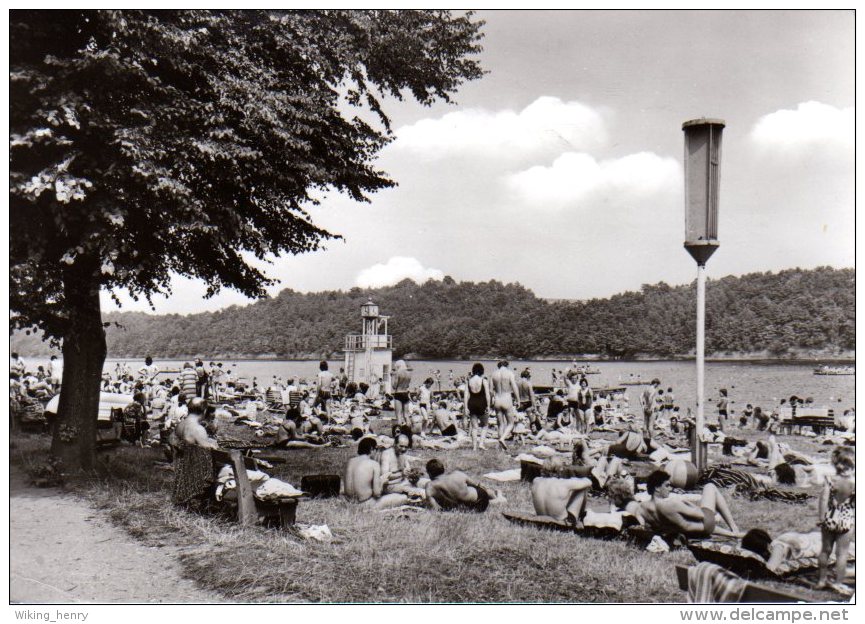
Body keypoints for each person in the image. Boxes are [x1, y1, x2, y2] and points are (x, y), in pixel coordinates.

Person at [639, 470, 742, 539]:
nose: (670, 489)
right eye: (667, 486)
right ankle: (734, 527)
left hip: (688, 533)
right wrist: (687, 503)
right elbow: (702, 516)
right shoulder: (672, 504)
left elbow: (683, 525)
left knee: (692, 521)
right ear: (657, 488)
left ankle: (732, 534)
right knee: (710, 487)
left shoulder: (643, 507)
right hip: (703, 527)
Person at [816, 446, 855, 593]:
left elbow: (824, 499)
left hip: (830, 517)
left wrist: (821, 517)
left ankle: (821, 580)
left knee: (825, 550)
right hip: (847, 519)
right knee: (842, 553)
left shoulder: (830, 479)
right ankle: (838, 583)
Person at [171, 398, 218, 511]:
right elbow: (208, 451)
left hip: (184, 468)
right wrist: (213, 444)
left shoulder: (181, 424)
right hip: (196, 472)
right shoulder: (198, 429)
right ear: (205, 410)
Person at [425, 458, 499, 512]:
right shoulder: (457, 474)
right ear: (443, 469)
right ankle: (497, 497)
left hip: (463, 508)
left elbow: (435, 508)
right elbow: (477, 485)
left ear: (429, 473)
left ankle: (498, 497)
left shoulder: (430, 486)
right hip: (482, 501)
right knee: (477, 488)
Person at [490, 360, 519, 449]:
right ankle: (502, 438)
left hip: (497, 399)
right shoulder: (510, 373)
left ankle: (501, 448)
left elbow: (491, 390)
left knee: (500, 425)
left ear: (498, 366)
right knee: (511, 423)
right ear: (507, 365)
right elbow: (514, 387)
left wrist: (492, 400)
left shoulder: (493, 374)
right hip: (507, 398)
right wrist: (518, 399)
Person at [464, 363, 491, 451]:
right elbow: (487, 395)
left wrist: (465, 408)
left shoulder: (469, 381)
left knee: (474, 427)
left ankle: (474, 447)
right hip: (481, 404)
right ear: (482, 371)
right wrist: (488, 406)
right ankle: (481, 444)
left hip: (471, 403)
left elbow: (466, 396)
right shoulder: (484, 381)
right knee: (485, 425)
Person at [391, 360, 412, 429]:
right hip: (405, 393)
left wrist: (392, 377)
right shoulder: (409, 373)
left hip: (398, 393)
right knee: (406, 415)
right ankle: (409, 432)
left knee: (399, 416)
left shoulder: (398, 373)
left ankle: (399, 433)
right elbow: (407, 386)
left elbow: (394, 386)